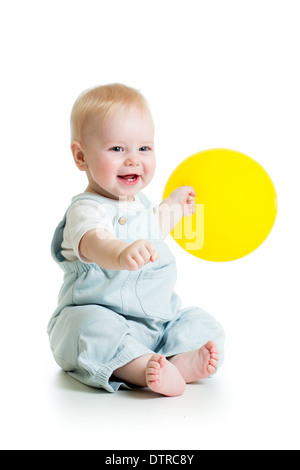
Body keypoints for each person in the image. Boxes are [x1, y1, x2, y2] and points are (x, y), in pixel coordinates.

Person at [48, 83, 225, 396]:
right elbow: (93, 242)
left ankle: (177, 360)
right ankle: (142, 370)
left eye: (144, 148)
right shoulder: (86, 210)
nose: (133, 160)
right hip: (101, 316)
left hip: (156, 323)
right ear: (81, 156)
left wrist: (175, 206)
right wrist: (119, 253)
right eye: (117, 149)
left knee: (202, 323)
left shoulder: (140, 205)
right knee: (88, 331)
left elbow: (154, 226)